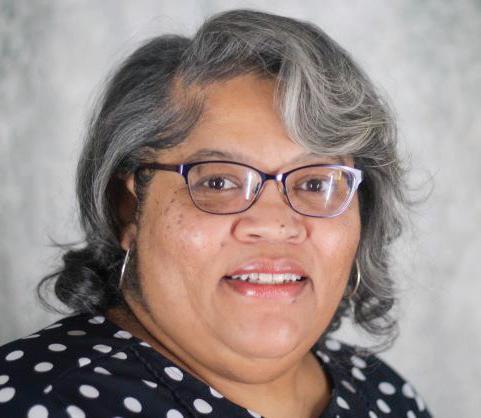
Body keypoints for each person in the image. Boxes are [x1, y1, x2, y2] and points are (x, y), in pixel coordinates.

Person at [0, 8, 433, 418]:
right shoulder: (34, 400)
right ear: (128, 209)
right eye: (219, 182)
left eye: (315, 184)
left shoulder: (383, 392)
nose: (275, 225)